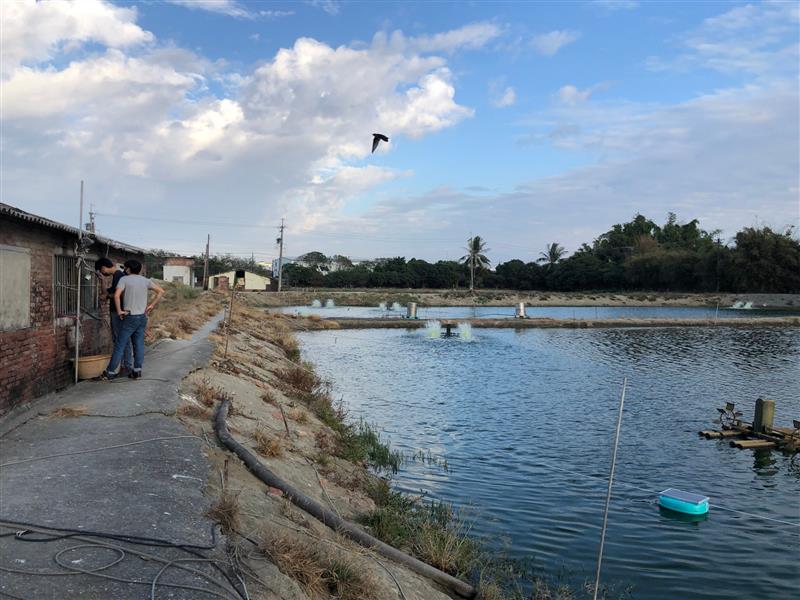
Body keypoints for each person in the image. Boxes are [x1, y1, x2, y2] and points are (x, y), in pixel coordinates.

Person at [100, 259, 164, 380]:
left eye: (125, 268)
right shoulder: (146, 281)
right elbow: (161, 291)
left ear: (128, 269)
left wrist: (119, 311)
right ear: (139, 269)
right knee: (138, 344)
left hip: (130, 317)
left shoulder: (124, 279)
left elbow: (117, 295)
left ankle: (110, 371)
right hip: (142, 317)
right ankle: (137, 370)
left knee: (120, 344)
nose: (125, 269)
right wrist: (151, 305)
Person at [94, 258, 134, 375]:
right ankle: (125, 366)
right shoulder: (117, 276)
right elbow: (107, 292)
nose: (103, 274)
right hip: (118, 311)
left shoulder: (118, 275)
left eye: (101, 272)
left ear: (103, 268)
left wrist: (106, 297)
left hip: (118, 311)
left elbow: (117, 294)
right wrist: (102, 281)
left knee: (121, 339)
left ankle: (125, 366)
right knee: (122, 339)